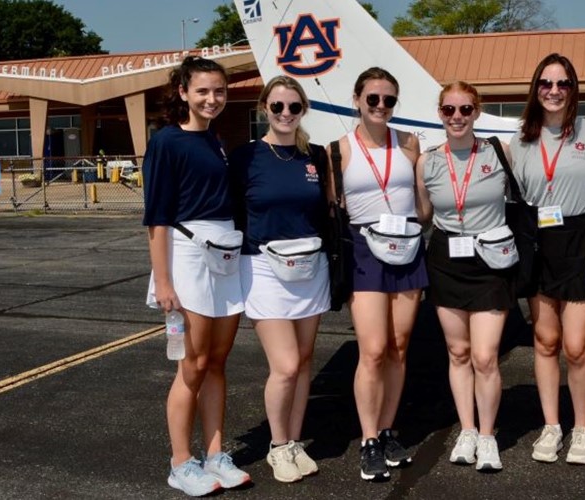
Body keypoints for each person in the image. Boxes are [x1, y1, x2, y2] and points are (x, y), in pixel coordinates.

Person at [142, 56, 251, 497]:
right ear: (183, 92)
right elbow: (157, 218)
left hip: (225, 252)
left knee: (218, 362)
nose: (212, 98)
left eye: (219, 91)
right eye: (203, 90)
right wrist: (163, 281)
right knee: (193, 365)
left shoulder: (218, 142)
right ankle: (180, 462)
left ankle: (215, 453)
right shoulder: (166, 141)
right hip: (187, 256)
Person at [229, 76, 330, 484]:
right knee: (285, 365)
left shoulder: (317, 156)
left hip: (310, 266)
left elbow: (328, 209)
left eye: (294, 107)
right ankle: (276, 446)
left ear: (303, 109)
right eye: (278, 107)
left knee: (304, 362)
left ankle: (293, 441)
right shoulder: (246, 157)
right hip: (264, 268)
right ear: (263, 109)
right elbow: (232, 211)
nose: (286, 114)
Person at [328, 67, 427, 482]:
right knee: (371, 349)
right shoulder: (340, 149)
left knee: (399, 347)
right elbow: (334, 204)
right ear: (357, 99)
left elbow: (422, 202)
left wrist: (415, 230)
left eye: (388, 100)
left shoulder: (409, 143)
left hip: (406, 245)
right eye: (373, 99)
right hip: (365, 250)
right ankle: (368, 438)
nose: (381, 106)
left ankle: (388, 430)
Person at [509, 54, 585, 466]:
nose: (553, 90)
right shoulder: (521, 140)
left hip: (579, 238)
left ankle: (581, 428)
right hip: (537, 241)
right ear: (535, 88)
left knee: (577, 345)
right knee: (546, 341)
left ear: (573, 89)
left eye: (562, 83)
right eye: (546, 83)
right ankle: (552, 425)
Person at [415, 81, 514, 472]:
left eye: (466, 109)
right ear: (440, 113)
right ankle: (467, 429)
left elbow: (526, 195)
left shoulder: (497, 152)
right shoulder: (427, 161)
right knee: (458, 353)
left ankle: (488, 436)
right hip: (446, 258)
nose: (457, 117)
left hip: (490, 260)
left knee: (485, 356)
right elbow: (424, 215)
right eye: (449, 110)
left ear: (477, 111)